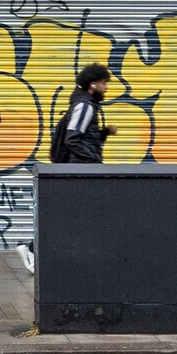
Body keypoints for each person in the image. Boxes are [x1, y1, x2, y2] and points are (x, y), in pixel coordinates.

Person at [18, 64, 116, 273]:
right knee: (74, 214)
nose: (106, 87)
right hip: (81, 170)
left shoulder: (85, 104)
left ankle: (45, 250)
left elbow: (84, 138)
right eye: (103, 83)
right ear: (93, 85)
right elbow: (72, 139)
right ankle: (31, 249)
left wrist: (104, 133)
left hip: (82, 168)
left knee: (77, 214)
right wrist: (92, 160)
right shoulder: (85, 106)